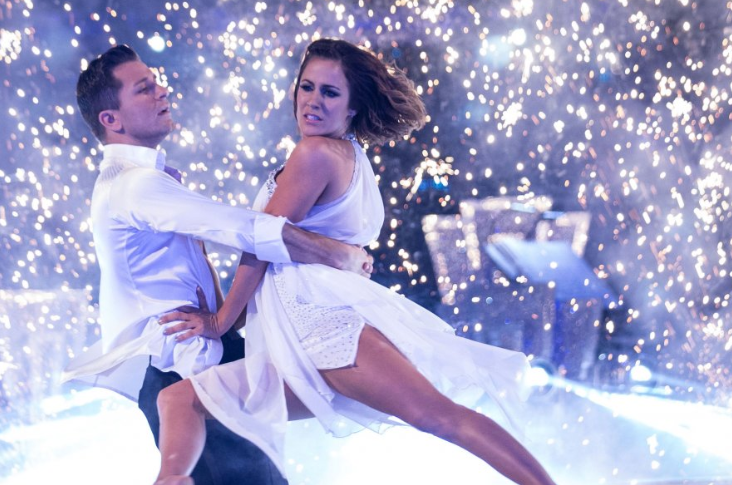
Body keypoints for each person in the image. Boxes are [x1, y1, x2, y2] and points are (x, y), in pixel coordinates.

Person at [153, 39, 558, 485]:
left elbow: (261, 241)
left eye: (330, 92)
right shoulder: (347, 152)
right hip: (299, 337)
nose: (312, 101)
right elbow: (292, 238)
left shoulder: (314, 154)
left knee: (439, 417)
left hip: (324, 330)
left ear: (352, 106)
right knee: (178, 400)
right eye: (307, 87)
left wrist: (222, 321)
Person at [63, 44, 374, 485]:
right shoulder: (137, 187)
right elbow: (247, 228)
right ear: (110, 119)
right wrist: (339, 254)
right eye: (144, 89)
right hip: (184, 367)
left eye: (157, 82)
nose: (162, 91)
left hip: (204, 360)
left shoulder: (141, 182)